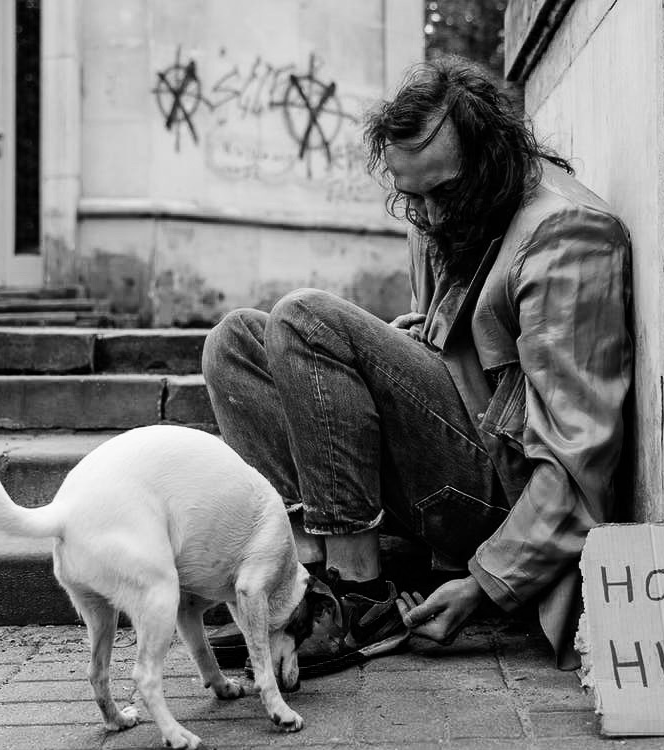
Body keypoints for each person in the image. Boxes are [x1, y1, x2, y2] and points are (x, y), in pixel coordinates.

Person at [202, 55, 633, 675]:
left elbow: (578, 460)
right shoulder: (442, 213)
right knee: (234, 342)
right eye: (413, 197)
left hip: (501, 500)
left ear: (496, 158)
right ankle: (299, 579)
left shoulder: (569, 236)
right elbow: (457, 355)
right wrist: (424, 342)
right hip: (445, 468)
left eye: (444, 194)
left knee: (307, 318)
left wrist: (484, 585)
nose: (429, 217)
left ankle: (359, 600)